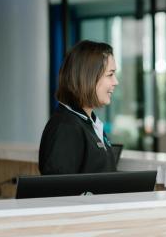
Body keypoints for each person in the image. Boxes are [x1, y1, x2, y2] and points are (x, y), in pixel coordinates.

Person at [39, 40, 119, 174]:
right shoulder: (66, 128)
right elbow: (60, 191)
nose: (115, 82)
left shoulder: (89, 122)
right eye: (110, 74)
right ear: (88, 77)